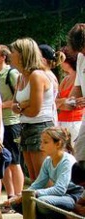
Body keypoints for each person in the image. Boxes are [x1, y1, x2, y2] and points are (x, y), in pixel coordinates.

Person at [9, 127, 83, 219]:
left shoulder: (67, 161)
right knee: (16, 203)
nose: (41, 146)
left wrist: (35, 193)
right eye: (41, 142)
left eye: (45, 142)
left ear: (58, 144)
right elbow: (37, 184)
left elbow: (60, 190)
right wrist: (23, 195)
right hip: (61, 197)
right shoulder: (48, 160)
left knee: (42, 202)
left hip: (74, 197)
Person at [10, 38, 56, 181]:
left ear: (23, 54)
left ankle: (46, 204)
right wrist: (22, 106)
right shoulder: (20, 77)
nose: (10, 55)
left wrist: (21, 108)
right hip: (26, 127)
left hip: (41, 128)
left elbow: (34, 111)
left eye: (13, 52)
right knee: (34, 178)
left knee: (43, 178)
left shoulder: (36, 76)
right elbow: (14, 106)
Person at [0, 44, 25, 206]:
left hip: (12, 123)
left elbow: (20, 99)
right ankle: (10, 197)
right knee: (4, 160)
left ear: (3, 57)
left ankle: (19, 196)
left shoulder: (12, 74)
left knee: (15, 162)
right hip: (0, 124)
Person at [56, 46, 84, 145]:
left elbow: (71, 105)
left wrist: (60, 102)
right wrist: (63, 102)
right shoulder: (65, 79)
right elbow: (54, 102)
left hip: (76, 121)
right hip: (61, 121)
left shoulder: (80, 77)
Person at [66, 23, 85, 167]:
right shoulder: (80, 57)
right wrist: (68, 102)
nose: (82, 53)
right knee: (80, 153)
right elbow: (78, 87)